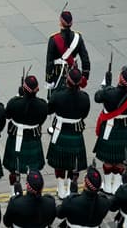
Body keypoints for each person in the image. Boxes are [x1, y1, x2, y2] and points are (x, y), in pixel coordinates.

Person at [46, 67, 89, 199]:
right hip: (75, 131)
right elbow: (84, 114)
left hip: (61, 131)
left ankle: (61, 189)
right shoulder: (84, 98)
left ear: (67, 80)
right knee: (73, 163)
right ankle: (71, 188)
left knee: (59, 164)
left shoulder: (57, 96)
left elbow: (49, 110)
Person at [93, 65, 127, 192]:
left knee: (108, 160)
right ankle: (117, 187)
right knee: (120, 160)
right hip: (125, 128)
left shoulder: (109, 93)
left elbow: (97, 97)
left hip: (110, 128)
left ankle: (107, 186)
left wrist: (106, 86)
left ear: (120, 78)